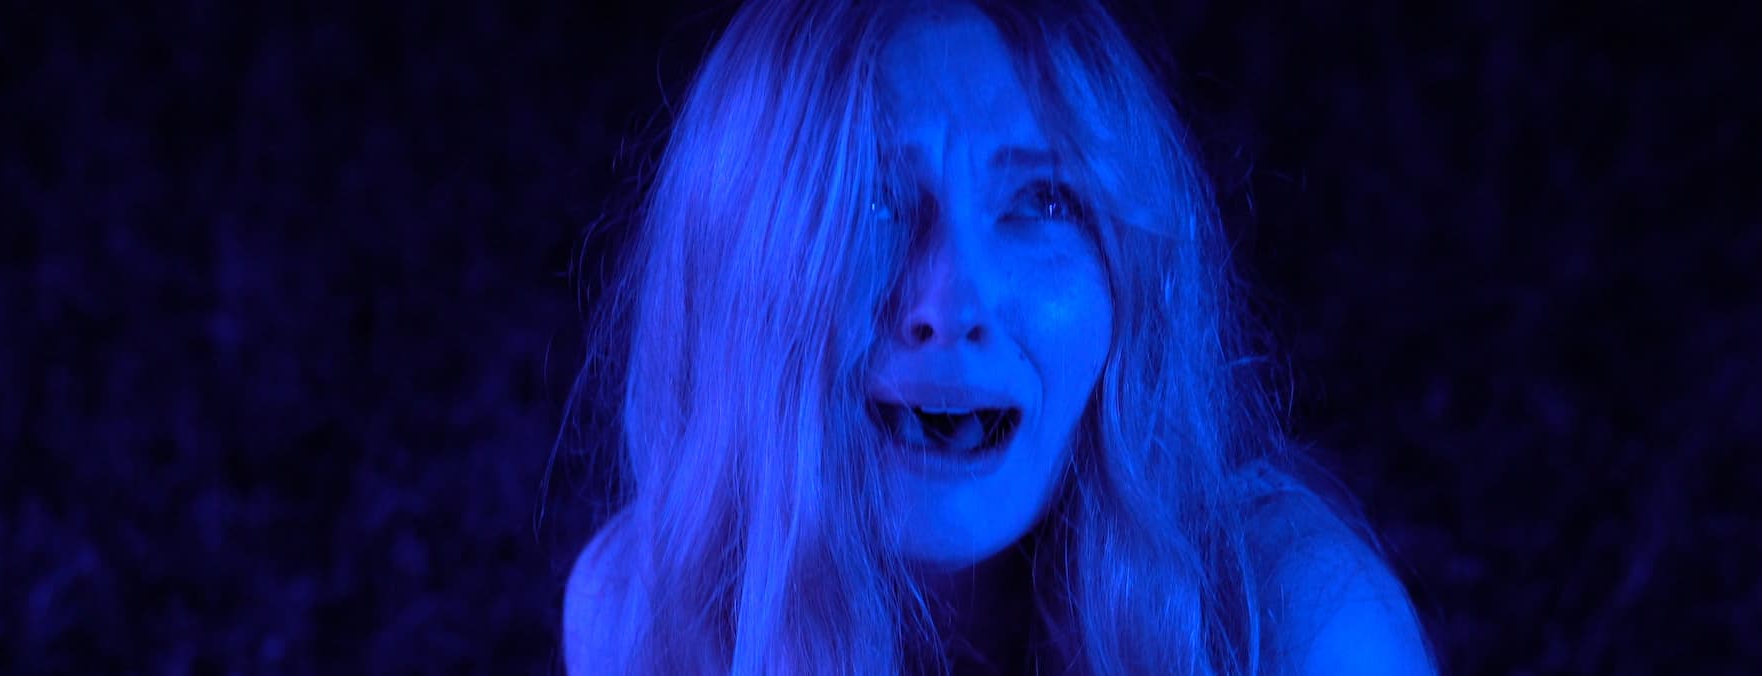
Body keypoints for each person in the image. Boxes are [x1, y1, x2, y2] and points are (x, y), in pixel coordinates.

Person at [557, 0, 1435, 673]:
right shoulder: (642, 615)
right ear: (734, 271)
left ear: (1132, 283)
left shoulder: (1301, 625)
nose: (954, 302)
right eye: (871, 199)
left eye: (1042, 201)